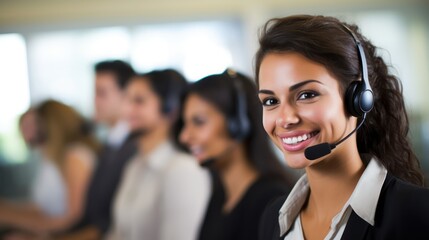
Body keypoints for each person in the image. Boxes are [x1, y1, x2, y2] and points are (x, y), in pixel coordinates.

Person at [256, 15, 429, 240]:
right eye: (270, 101)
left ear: (358, 99)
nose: (285, 119)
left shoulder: (417, 213)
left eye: (307, 95)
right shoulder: (272, 219)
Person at [176, 69, 294, 240]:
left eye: (199, 122)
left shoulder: (271, 200)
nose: (184, 137)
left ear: (238, 125)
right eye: (185, 124)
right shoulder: (220, 195)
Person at [106, 69, 211, 240]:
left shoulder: (183, 170)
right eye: (126, 99)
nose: (126, 109)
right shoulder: (134, 166)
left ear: (170, 108)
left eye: (138, 101)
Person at [56, 60, 137, 240]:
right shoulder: (110, 144)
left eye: (102, 93)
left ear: (126, 95)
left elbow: (107, 222)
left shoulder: (134, 149)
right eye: (94, 93)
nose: (95, 101)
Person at [0, 100, 100, 238]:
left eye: (34, 124)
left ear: (51, 124)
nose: (28, 130)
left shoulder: (74, 156)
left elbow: (73, 216)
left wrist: (23, 223)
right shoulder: (52, 159)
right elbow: (42, 207)